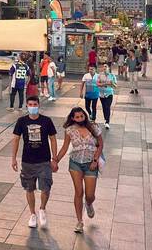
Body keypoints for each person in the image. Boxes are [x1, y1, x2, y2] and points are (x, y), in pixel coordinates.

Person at [10, 94, 59, 230]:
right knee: (29, 188)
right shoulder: (21, 121)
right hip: (27, 161)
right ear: (27, 106)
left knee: (46, 187)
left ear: (39, 105)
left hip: (44, 161)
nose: (32, 107)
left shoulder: (46, 121)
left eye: (35, 105)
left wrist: (54, 158)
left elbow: (53, 139)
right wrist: (13, 158)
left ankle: (42, 209)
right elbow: (16, 139)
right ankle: (32, 214)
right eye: (30, 105)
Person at [55, 105, 104, 233]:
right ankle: (79, 222)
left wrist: (95, 160)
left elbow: (100, 144)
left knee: (89, 195)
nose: (80, 118)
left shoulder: (93, 127)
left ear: (85, 116)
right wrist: (55, 160)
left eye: (82, 116)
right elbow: (65, 148)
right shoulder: (69, 130)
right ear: (73, 118)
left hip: (90, 164)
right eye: (77, 117)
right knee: (78, 192)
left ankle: (88, 204)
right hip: (75, 163)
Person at [95, 62, 117, 128]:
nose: (104, 68)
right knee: (104, 107)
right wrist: (106, 84)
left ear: (108, 68)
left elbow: (115, 86)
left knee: (107, 107)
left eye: (106, 67)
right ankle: (105, 119)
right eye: (103, 67)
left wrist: (112, 83)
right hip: (102, 94)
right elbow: (98, 84)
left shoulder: (112, 75)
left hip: (109, 93)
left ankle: (107, 122)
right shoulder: (100, 75)